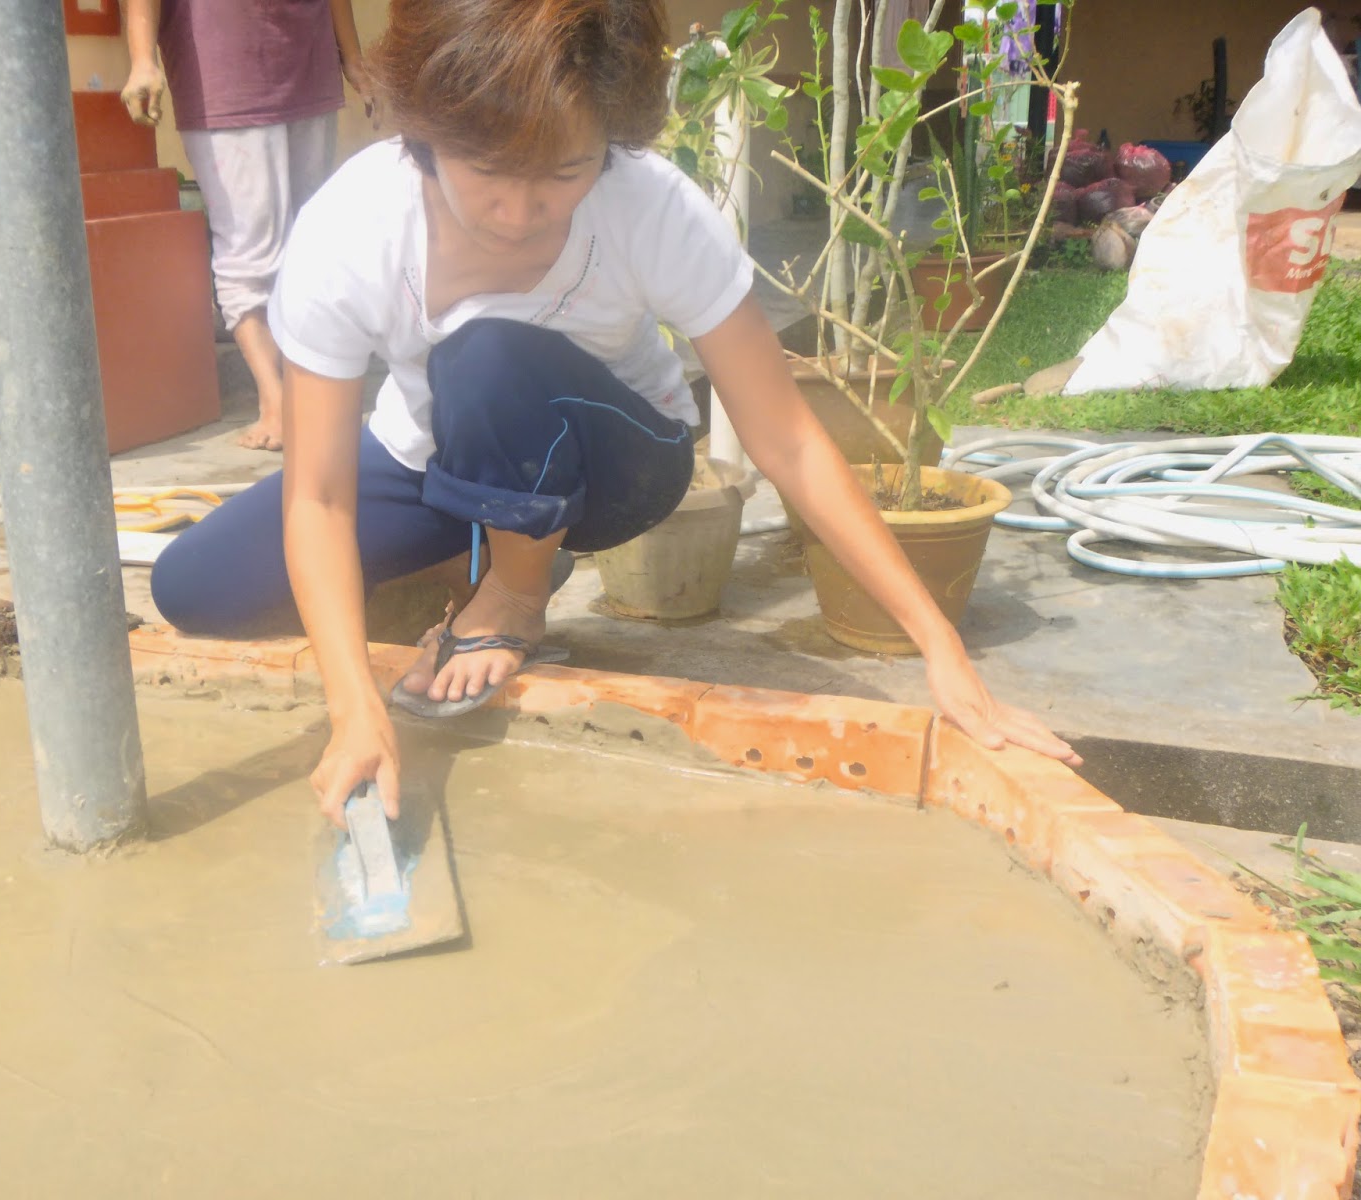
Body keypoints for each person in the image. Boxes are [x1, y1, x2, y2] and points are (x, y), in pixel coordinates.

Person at [150, 0, 1082, 824]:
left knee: (482, 351)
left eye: (564, 171)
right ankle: (464, 553)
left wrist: (938, 643)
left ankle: (516, 590)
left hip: (619, 460)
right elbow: (316, 494)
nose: (520, 211)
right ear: (423, 135)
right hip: (443, 450)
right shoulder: (352, 229)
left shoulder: (652, 209)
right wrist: (352, 704)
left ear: (612, 144)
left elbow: (788, 436)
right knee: (194, 590)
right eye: (486, 171)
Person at [120, 0, 373, 451]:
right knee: (249, 252)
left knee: (312, 248)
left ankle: (310, 392)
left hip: (307, 67)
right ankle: (274, 400)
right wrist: (142, 59)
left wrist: (352, 57)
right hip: (222, 73)